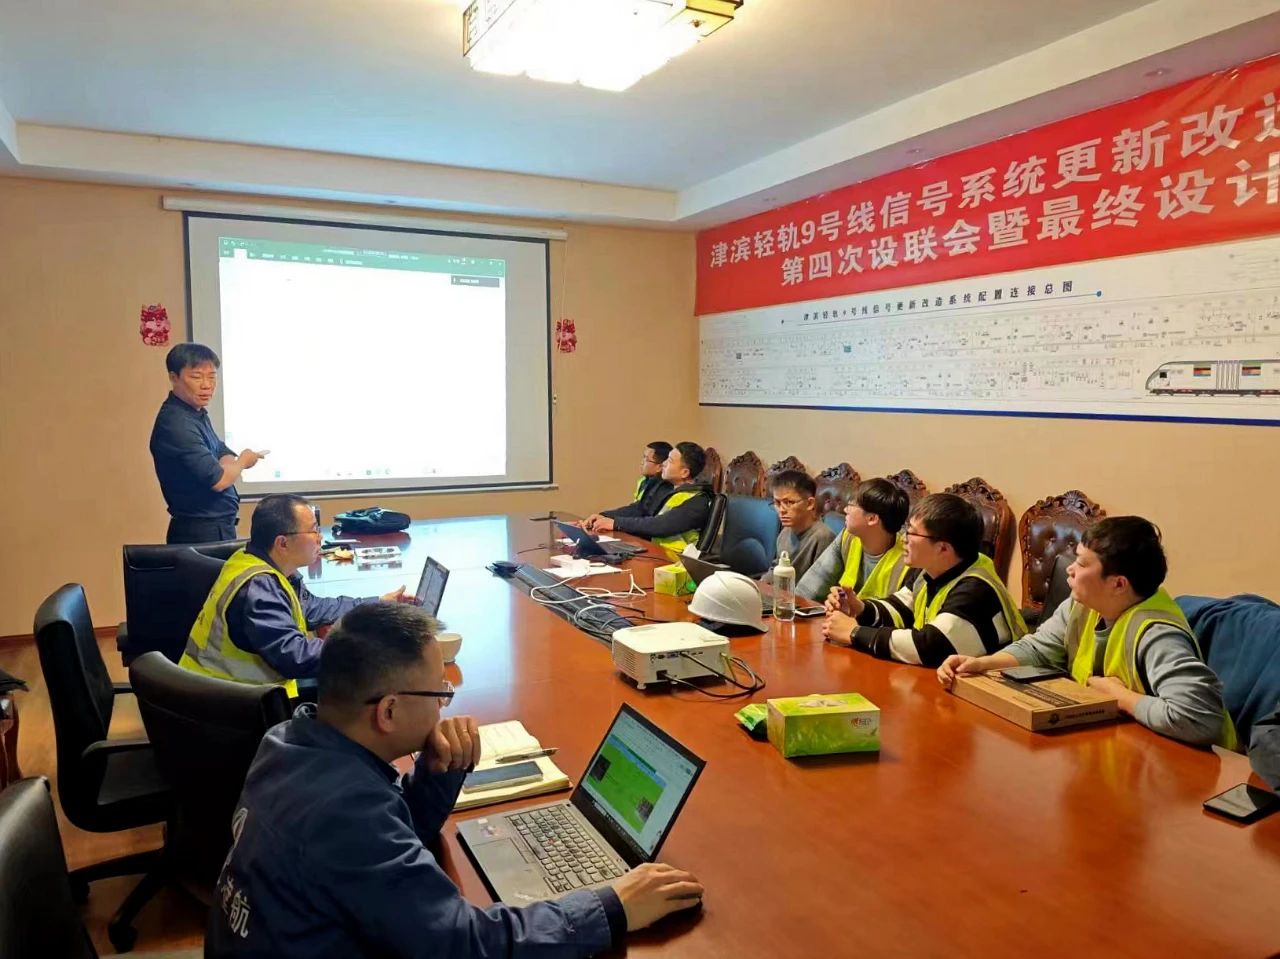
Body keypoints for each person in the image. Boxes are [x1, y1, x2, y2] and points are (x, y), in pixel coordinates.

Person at [206, 602, 704, 958]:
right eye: (438, 692)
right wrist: (612, 906)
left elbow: (386, 847)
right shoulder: (344, 811)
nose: (445, 704)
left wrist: (437, 772)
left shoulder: (288, 742)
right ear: (388, 711)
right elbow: (464, 943)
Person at [937, 516, 1236, 747]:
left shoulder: (1156, 633)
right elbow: (1039, 648)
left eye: (1081, 563)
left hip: (1184, 770)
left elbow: (1200, 719)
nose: (1070, 569)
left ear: (1118, 584)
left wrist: (1119, 696)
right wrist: (982, 663)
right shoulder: (1082, 605)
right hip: (1111, 746)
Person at [180, 493, 414, 697]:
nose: (320, 538)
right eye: (313, 530)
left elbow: (312, 607)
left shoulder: (257, 562)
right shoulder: (259, 589)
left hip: (238, 695)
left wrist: (379, 604)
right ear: (282, 543)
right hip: (229, 705)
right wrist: (369, 646)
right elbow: (297, 657)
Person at [822, 492, 1026, 667]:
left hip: (992, 688)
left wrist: (854, 633)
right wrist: (860, 608)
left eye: (912, 533)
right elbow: (901, 608)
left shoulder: (976, 589)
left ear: (943, 548)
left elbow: (930, 646)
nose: (904, 538)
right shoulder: (932, 569)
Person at [149, 342, 268, 544]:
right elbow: (219, 480)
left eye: (212, 377)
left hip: (217, 526)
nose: (206, 385)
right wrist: (242, 462)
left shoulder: (195, 412)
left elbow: (220, 448)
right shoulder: (176, 423)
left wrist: (228, 465)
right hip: (199, 531)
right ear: (174, 377)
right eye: (196, 377)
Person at [582, 442, 713, 558]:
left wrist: (616, 523)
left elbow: (660, 525)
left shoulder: (697, 501)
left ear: (684, 472)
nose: (664, 464)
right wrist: (604, 517)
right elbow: (641, 509)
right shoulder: (671, 491)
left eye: (670, 461)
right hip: (655, 552)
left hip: (675, 561)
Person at [795, 478, 913, 603]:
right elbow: (811, 586)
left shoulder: (908, 558)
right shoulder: (848, 537)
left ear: (872, 519)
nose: (845, 510)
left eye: (851, 505)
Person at [760, 470, 834, 584]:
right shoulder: (785, 533)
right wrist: (760, 585)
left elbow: (821, 584)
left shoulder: (823, 537)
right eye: (777, 503)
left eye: (789, 502)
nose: (781, 510)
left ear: (809, 504)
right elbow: (776, 569)